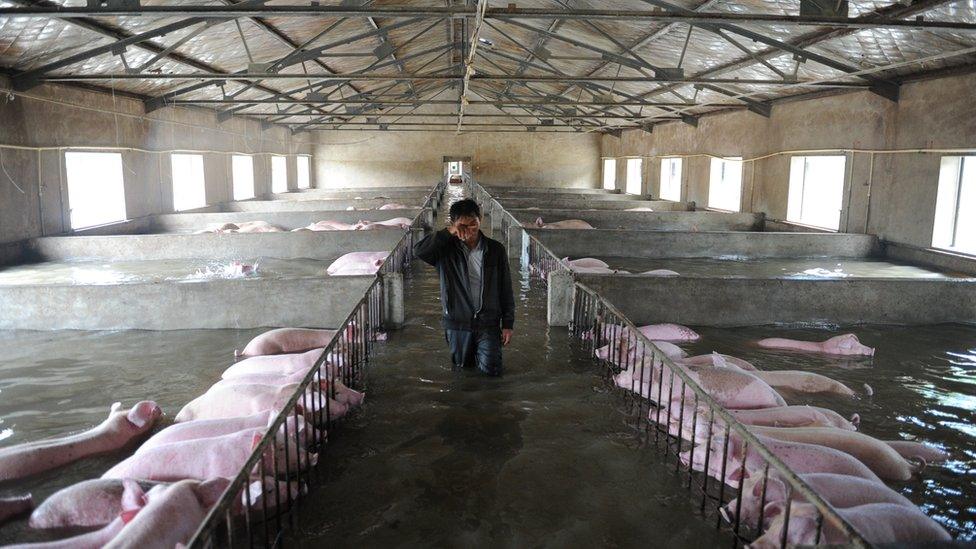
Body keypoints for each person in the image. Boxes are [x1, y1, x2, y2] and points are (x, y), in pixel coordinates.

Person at [413, 198, 515, 376]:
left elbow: (505, 288)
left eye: (473, 224)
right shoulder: (445, 250)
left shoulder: (495, 249)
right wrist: (448, 233)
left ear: (480, 220)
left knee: (493, 372)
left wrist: (508, 323)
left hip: (489, 322)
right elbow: (419, 251)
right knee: (462, 371)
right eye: (462, 226)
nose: (470, 231)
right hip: (457, 323)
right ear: (453, 224)